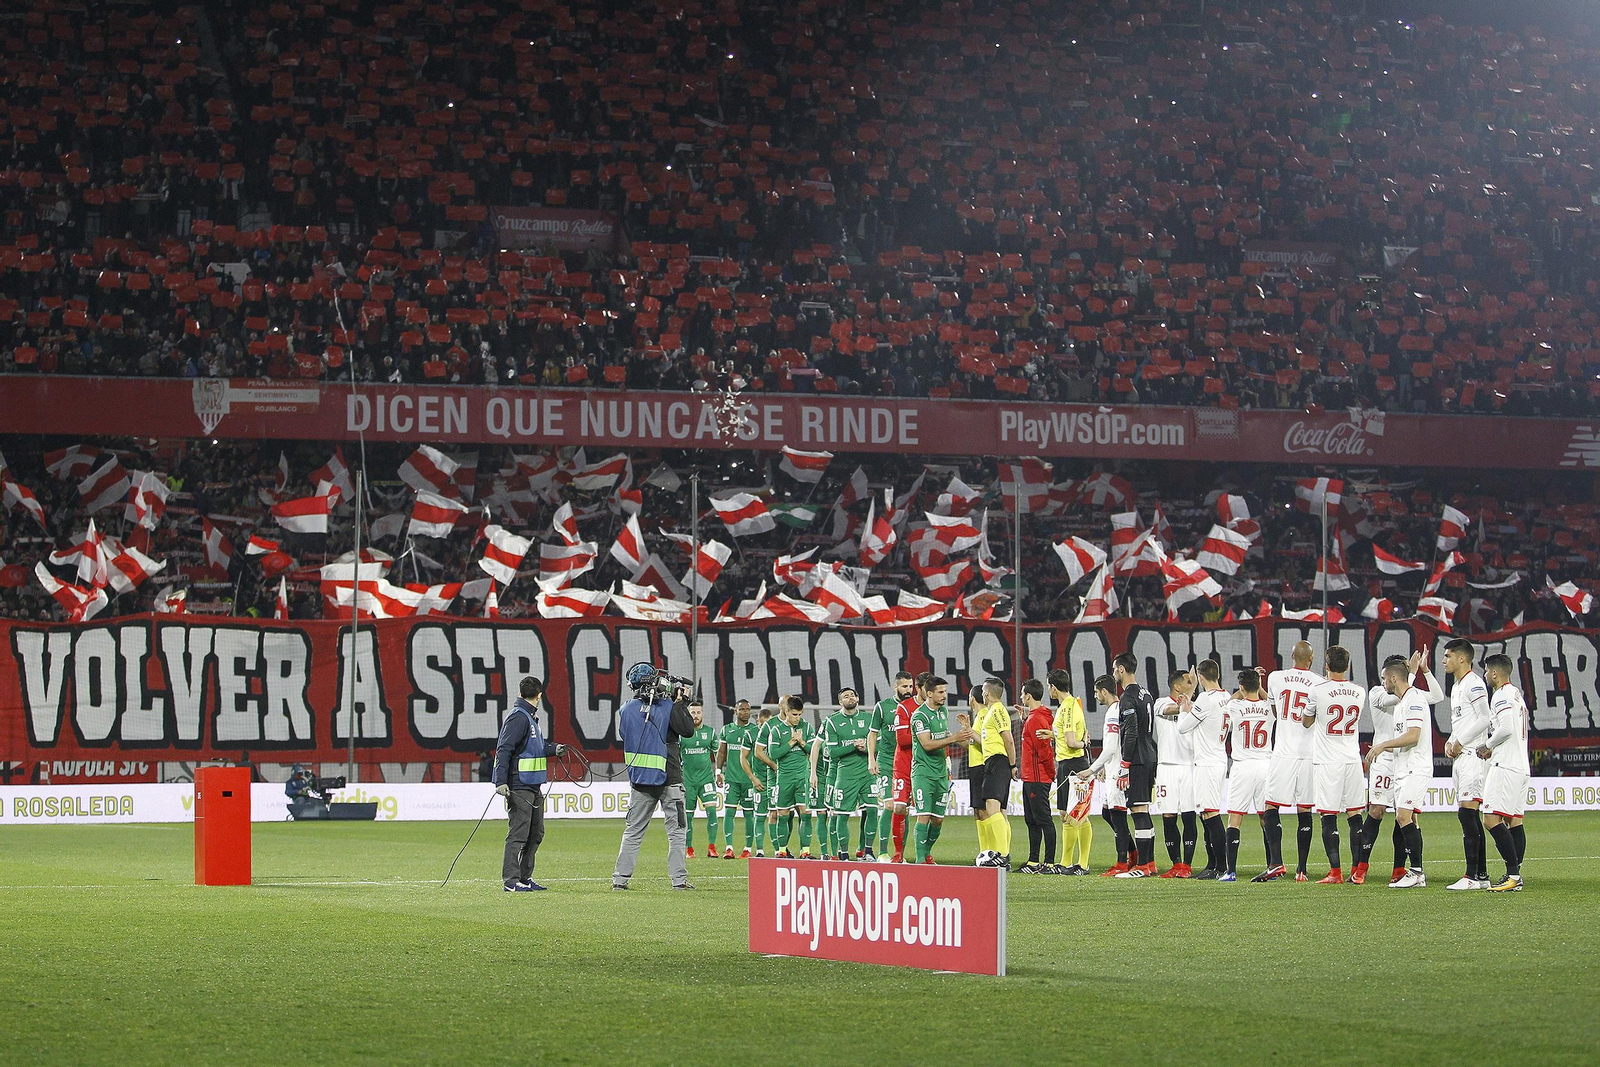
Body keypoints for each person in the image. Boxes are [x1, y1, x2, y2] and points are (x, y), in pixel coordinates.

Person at [611, 664, 696, 891]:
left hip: (640, 780)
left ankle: (620, 879)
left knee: (633, 831)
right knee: (677, 832)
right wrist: (681, 704)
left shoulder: (626, 709)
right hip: (670, 778)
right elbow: (687, 730)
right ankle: (678, 880)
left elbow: (624, 734)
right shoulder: (669, 707)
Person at [1364, 651, 1440, 889]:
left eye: (1385, 679)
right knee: (1409, 818)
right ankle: (1416, 872)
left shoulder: (1414, 699)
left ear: (1394, 679)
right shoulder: (1402, 702)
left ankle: (1416, 873)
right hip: (1402, 769)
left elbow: (1413, 736)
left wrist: (1383, 745)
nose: (1383, 682)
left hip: (1415, 768)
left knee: (1403, 816)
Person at [494, 677, 567, 892]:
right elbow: (503, 749)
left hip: (534, 785)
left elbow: (534, 748)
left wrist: (554, 749)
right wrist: (500, 781)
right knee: (518, 834)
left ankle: (525, 878)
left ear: (520, 693)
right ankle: (511, 881)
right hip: (520, 785)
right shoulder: (519, 718)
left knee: (536, 833)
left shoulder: (529, 717)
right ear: (540, 695)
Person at [1301, 647, 1367, 884]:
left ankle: (1335, 872)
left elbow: (1306, 722)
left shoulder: (1317, 690)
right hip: (1351, 758)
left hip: (1328, 761)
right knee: (1355, 814)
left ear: (1326, 666)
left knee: (1328, 815)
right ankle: (1357, 872)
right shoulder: (1359, 692)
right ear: (1348, 666)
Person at [1264, 641, 1323, 882]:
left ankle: (1276, 862)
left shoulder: (1276, 678)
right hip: (1309, 753)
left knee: (1271, 806)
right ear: (1311, 659)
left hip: (1283, 752)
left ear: (1291, 656)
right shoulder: (1320, 682)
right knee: (1305, 810)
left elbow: (1276, 713)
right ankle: (1302, 869)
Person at [1351, 659, 1408, 885]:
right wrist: (1410, 679)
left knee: (1404, 815)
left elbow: (1435, 697)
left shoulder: (1410, 695)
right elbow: (1391, 699)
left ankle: (1399, 869)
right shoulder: (1376, 692)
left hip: (1404, 758)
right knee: (1376, 811)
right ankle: (1361, 867)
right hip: (1383, 759)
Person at [1442, 639, 1492, 890]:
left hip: (1473, 755)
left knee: (1467, 813)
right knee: (1469, 814)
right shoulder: (1459, 685)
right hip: (1461, 755)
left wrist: (1460, 741)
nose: (1444, 660)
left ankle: (1472, 876)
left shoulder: (1474, 684)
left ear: (1462, 659)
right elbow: (1461, 722)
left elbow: (1485, 718)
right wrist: (1451, 741)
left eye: (1448, 656)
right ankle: (1481, 876)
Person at [1479, 653, 1530, 892]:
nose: (1486, 675)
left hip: (1506, 766)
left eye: (1487, 671)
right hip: (1521, 766)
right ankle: (1515, 875)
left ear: (1496, 673)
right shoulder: (1517, 695)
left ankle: (1513, 875)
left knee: (1490, 819)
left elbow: (1507, 728)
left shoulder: (1500, 695)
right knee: (1515, 821)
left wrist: (1487, 746)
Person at [910, 677, 973, 864]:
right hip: (923, 773)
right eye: (940, 692)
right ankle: (920, 860)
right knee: (924, 815)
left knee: (938, 819)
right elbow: (927, 744)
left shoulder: (942, 712)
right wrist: (955, 737)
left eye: (945, 691)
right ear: (929, 693)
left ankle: (926, 852)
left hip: (940, 773)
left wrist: (967, 736)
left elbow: (946, 735)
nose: (944, 695)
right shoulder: (919, 716)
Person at [1221, 669, 1275, 883]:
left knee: (1235, 818)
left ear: (1241, 687)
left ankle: (1231, 871)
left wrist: (1242, 691)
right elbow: (1268, 699)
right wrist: (1259, 684)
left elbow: (1228, 700)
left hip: (1242, 767)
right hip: (1265, 765)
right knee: (1266, 818)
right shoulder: (1268, 708)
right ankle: (1271, 868)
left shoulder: (1235, 706)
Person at [1180, 659, 1231, 879]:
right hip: (1218, 757)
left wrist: (1184, 710)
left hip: (1207, 763)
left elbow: (1183, 728)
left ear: (1200, 678)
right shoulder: (1227, 697)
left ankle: (1221, 866)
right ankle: (1212, 864)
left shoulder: (1205, 698)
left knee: (1210, 814)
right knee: (1206, 814)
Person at [1112, 652, 1158, 878]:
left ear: (1121, 669)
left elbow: (1130, 734)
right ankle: (1149, 863)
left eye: (1114, 669)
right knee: (1144, 810)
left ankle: (1141, 866)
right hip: (1149, 755)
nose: (1114, 674)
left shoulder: (1127, 698)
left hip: (1138, 759)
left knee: (1138, 811)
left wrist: (1124, 764)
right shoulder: (1146, 693)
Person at [1077, 676, 1130, 876]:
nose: (1095, 696)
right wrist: (1103, 768)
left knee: (1117, 814)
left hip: (1117, 770)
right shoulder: (1116, 710)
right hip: (1112, 768)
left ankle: (1122, 862)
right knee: (1109, 813)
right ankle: (1131, 853)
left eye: (1096, 692)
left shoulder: (1113, 712)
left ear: (1104, 692)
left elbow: (1109, 748)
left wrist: (1092, 770)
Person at [819, 686, 874, 860]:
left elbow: (878, 745)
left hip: (868, 773)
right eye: (845, 696)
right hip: (845, 775)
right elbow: (832, 752)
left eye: (852, 695)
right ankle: (843, 853)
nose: (849, 698)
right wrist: (853, 746)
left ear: (857, 699)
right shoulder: (832, 721)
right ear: (840, 701)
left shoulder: (869, 718)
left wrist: (865, 747)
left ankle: (868, 851)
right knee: (841, 815)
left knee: (872, 810)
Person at [756, 696, 814, 858]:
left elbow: (813, 750)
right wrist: (791, 742)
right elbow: (773, 754)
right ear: (786, 711)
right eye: (795, 714)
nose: (798, 718)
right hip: (783, 779)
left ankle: (805, 851)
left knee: (805, 814)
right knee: (782, 814)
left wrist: (801, 742)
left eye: (800, 715)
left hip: (802, 778)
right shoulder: (775, 730)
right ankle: (781, 851)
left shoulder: (807, 728)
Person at [1153, 669, 1198, 877]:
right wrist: (1192, 690)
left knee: (1189, 817)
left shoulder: (1195, 706)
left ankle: (1187, 866)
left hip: (1189, 766)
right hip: (1166, 767)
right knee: (1169, 817)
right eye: (1188, 682)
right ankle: (1176, 864)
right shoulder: (1160, 703)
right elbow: (1174, 709)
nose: (1191, 685)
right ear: (1177, 687)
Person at [1048, 668, 1091, 874]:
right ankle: (1066, 863)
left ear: (1054, 688)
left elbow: (1073, 742)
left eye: (1049, 686)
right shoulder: (1072, 705)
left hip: (1073, 765)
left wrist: (1084, 743)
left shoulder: (1067, 709)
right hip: (1067, 764)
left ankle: (1082, 864)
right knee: (1066, 814)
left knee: (1078, 815)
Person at [867, 672, 914, 861]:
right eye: (904, 687)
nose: (908, 690)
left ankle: (899, 854)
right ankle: (883, 852)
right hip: (887, 762)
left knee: (903, 808)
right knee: (890, 805)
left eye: (911, 686)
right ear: (895, 687)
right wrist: (872, 758)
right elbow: (872, 733)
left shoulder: (915, 707)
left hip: (908, 763)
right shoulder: (883, 707)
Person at [971, 679, 1016, 868]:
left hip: (997, 761)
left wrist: (1013, 764)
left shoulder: (997, 710)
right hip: (994, 761)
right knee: (997, 810)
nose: (982, 694)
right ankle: (1000, 854)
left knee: (992, 808)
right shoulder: (992, 712)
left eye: (983, 690)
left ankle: (1002, 854)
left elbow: (1009, 739)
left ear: (987, 693)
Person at [1017, 679, 1058, 873]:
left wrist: (1050, 773)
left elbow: (1044, 751)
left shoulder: (1036, 720)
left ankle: (1049, 863)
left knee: (1043, 820)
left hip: (1037, 778)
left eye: (1022, 694)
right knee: (1032, 820)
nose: (1020, 697)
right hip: (1030, 777)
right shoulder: (1034, 718)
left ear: (1028, 696)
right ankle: (1033, 861)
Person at [889, 673, 931, 862]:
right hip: (904, 765)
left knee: (929, 814)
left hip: (925, 767)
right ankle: (899, 853)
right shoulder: (904, 708)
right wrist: (925, 736)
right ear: (919, 688)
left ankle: (925, 854)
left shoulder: (937, 710)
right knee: (899, 808)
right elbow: (902, 739)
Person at [717, 699, 758, 858]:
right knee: (729, 811)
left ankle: (748, 848)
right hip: (732, 779)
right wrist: (718, 771)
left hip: (749, 780)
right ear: (735, 711)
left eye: (748, 709)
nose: (746, 712)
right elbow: (721, 752)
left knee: (749, 814)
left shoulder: (755, 730)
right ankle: (729, 848)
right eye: (742, 709)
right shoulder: (727, 730)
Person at [681, 700, 721, 860]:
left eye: (698, 712)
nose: (695, 715)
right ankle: (689, 848)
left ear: (702, 714)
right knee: (688, 817)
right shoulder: (681, 734)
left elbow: (719, 754)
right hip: (688, 781)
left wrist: (719, 772)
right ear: (688, 714)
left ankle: (712, 847)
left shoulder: (710, 733)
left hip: (706, 780)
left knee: (712, 812)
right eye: (692, 713)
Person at [746, 703, 777, 857]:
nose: (766, 726)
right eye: (763, 723)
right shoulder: (751, 734)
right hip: (759, 782)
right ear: (757, 722)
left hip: (775, 781)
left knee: (776, 815)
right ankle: (759, 851)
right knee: (759, 816)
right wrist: (752, 778)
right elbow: (742, 758)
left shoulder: (777, 732)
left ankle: (779, 850)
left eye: (769, 722)